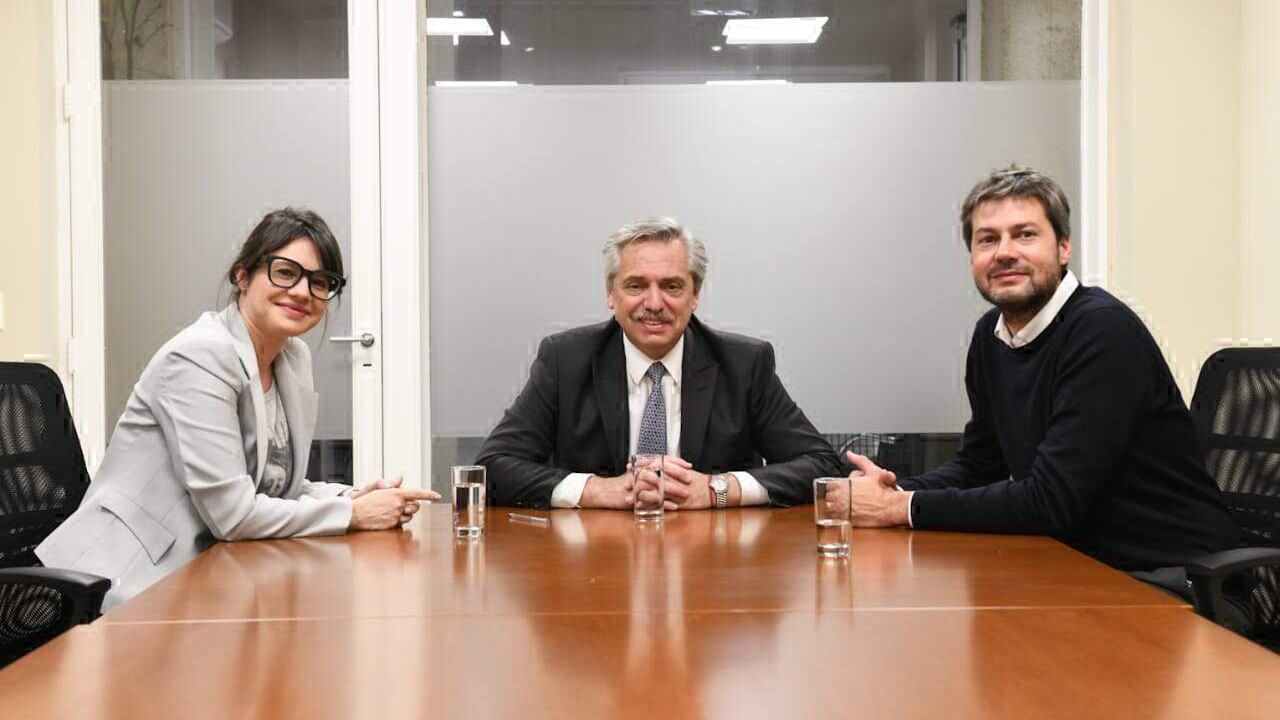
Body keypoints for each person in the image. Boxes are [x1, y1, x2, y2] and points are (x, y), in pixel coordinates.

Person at [842, 167, 1240, 577]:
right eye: (988, 239)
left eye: (1025, 234)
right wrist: (897, 489)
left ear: (1064, 248)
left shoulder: (1102, 332)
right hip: (1079, 565)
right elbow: (982, 464)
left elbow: (1051, 499)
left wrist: (900, 508)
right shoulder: (990, 336)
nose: (1005, 252)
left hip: (1176, 576)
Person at [37, 208, 438, 610]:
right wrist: (352, 514)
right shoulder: (199, 356)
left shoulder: (291, 357)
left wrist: (352, 495)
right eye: (285, 272)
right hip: (127, 580)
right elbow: (235, 514)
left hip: (213, 566)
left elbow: (276, 488)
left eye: (320, 282)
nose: (302, 292)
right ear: (242, 275)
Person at [476, 217, 841, 511]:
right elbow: (492, 467)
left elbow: (823, 467)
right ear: (610, 294)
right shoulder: (565, 360)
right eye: (635, 286)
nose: (654, 303)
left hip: (715, 572)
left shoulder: (744, 364)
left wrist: (718, 489)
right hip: (596, 571)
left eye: (672, 286)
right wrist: (597, 490)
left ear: (695, 295)